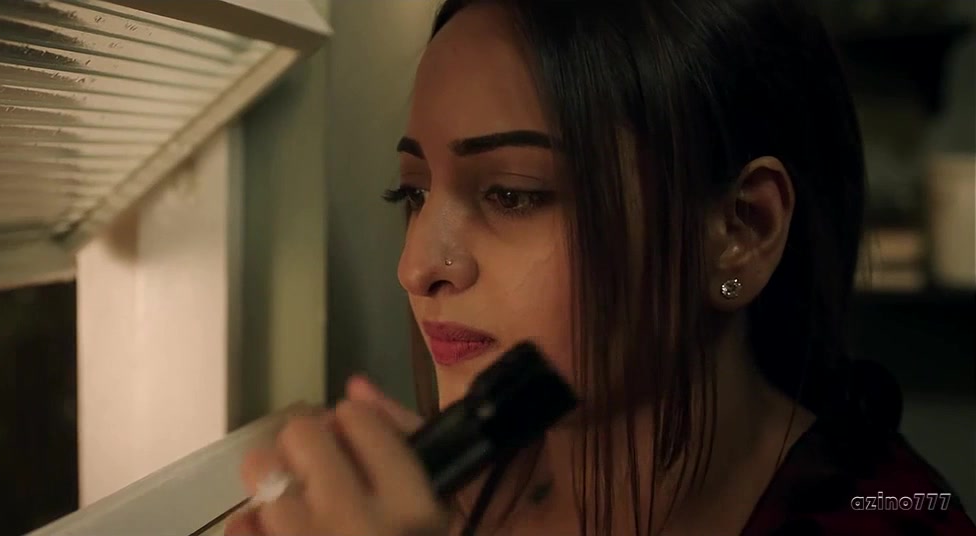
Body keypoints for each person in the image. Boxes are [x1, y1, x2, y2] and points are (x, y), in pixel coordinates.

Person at [225, 0, 975, 534]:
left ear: (742, 229)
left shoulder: (892, 517)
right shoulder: (451, 486)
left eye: (513, 194)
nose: (416, 267)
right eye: (412, 194)